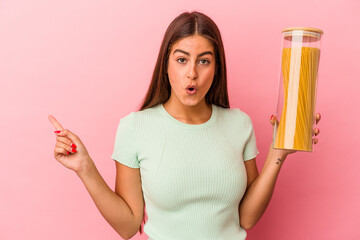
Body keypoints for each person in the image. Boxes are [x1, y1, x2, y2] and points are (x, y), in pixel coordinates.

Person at [49, 11, 321, 240]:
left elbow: (247, 218)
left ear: (216, 68)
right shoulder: (135, 128)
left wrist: (278, 152)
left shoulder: (239, 124)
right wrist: (85, 168)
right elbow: (129, 226)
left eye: (204, 61)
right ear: (165, 65)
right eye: (182, 60)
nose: (192, 73)